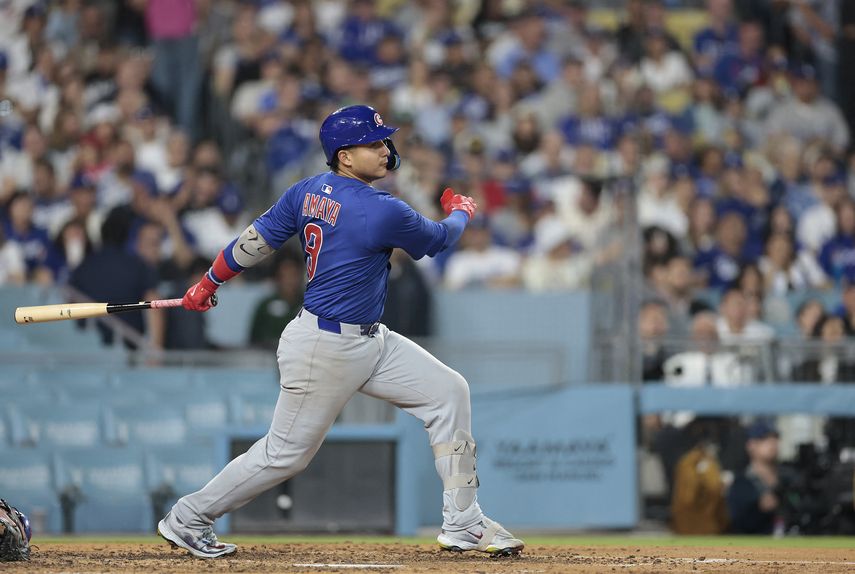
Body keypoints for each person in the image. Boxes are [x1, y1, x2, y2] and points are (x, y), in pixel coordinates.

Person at [156, 105, 524, 558]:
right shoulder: (378, 208)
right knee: (284, 455)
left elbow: (253, 242)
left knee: (449, 392)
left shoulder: (308, 190)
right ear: (345, 157)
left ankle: (464, 522)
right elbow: (439, 239)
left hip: (369, 339)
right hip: (325, 347)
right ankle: (188, 517)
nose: (386, 150)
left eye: (385, 141)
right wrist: (461, 211)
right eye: (374, 144)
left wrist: (208, 283)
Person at [727, 420, 782, 534]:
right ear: (751, 445)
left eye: (775, 438)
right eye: (764, 439)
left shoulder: (787, 477)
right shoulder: (741, 483)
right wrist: (759, 509)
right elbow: (736, 523)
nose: (772, 443)